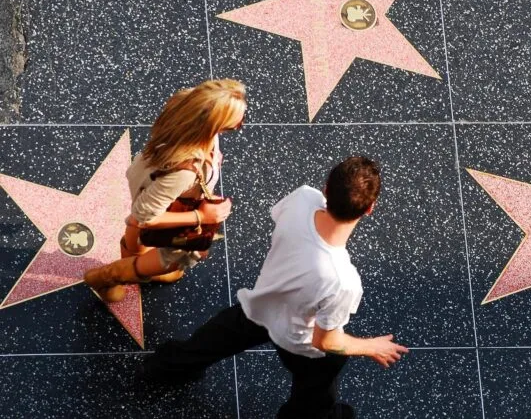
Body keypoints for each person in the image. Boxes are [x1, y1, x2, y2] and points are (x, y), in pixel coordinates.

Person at [137, 157, 409, 419]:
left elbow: (283, 220)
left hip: (262, 305)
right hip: (299, 343)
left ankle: (164, 369)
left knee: (215, 337)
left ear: (326, 189)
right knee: (315, 396)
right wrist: (371, 347)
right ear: (369, 208)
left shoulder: (303, 198)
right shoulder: (343, 281)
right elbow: (325, 341)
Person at [84, 79, 246, 302]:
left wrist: (211, 157)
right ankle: (107, 278)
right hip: (170, 197)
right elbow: (145, 217)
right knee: (171, 260)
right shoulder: (185, 172)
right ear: (211, 125)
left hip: (147, 176)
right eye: (233, 125)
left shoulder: (182, 108)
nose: (238, 126)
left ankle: (131, 254)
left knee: (136, 221)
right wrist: (202, 216)